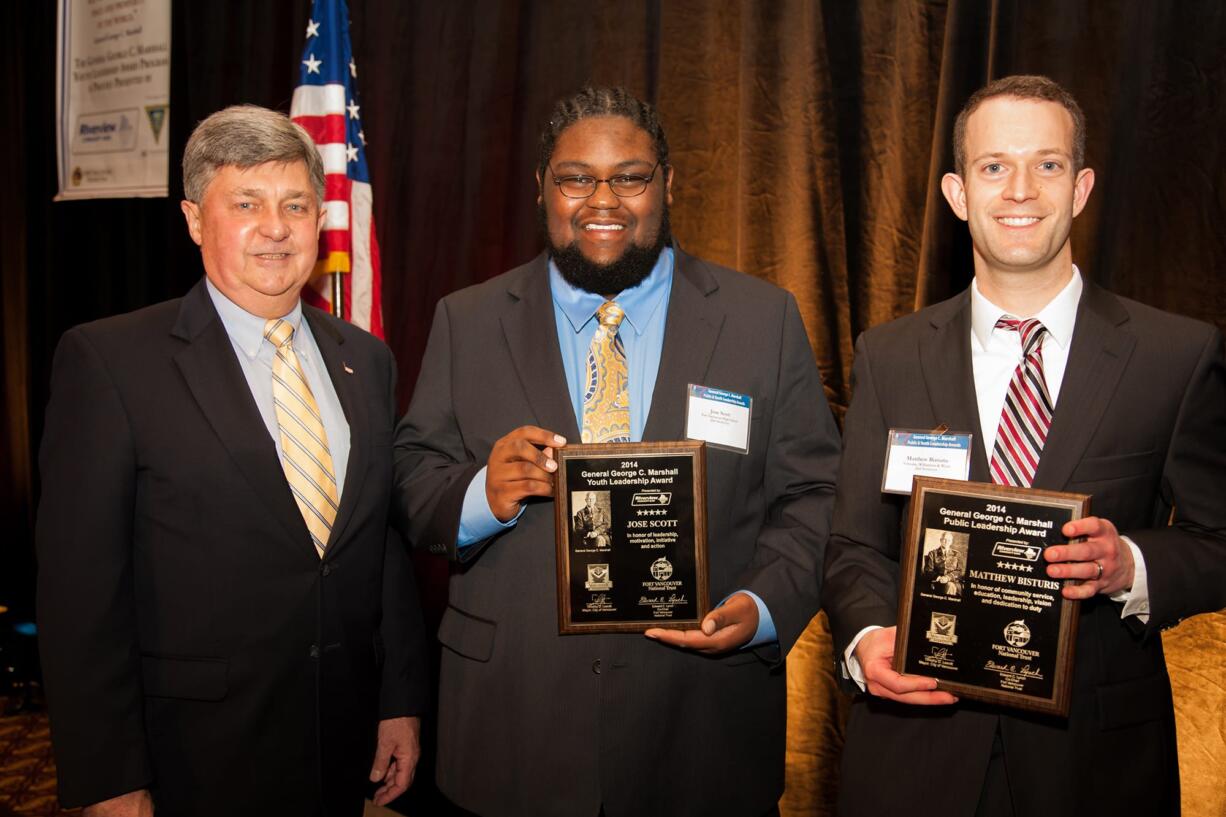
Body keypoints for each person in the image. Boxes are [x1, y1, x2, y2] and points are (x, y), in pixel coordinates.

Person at [393, 86, 840, 817]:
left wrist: (763, 605)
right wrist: (484, 493)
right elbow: (410, 480)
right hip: (512, 735)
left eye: (630, 176)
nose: (603, 199)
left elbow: (817, 494)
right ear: (543, 188)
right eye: (576, 177)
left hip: (701, 734)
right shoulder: (467, 319)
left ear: (669, 185)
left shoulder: (764, 318)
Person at [822, 75, 1226, 816]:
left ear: (1080, 187)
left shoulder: (1177, 354)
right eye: (993, 166)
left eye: (1047, 164)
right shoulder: (889, 354)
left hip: (1097, 766)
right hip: (915, 756)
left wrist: (1129, 562)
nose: (1020, 190)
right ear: (956, 192)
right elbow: (853, 543)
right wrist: (871, 636)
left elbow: (1219, 540)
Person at [36, 105, 429, 817]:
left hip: (339, 746)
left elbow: (382, 544)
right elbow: (79, 595)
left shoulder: (364, 360)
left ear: (320, 218)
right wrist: (108, 779)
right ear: (193, 219)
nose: (275, 227)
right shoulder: (110, 361)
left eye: (295, 204)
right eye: (245, 203)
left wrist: (397, 698)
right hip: (191, 759)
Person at [922, 531, 964, 596]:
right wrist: (939, 578)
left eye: (949, 540)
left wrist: (947, 578)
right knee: (949, 586)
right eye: (945, 539)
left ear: (951, 542)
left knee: (951, 586)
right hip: (938, 582)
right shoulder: (932, 553)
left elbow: (960, 571)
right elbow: (928, 570)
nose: (947, 542)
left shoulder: (957, 554)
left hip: (953, 581)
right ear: (941, 540)